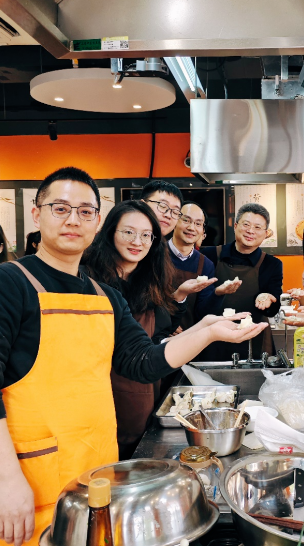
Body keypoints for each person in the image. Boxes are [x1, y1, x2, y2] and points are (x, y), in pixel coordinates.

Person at [0, 167, 267, 546]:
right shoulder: (10, 282)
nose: (73, 220)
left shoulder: (105, 296)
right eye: (60, 208)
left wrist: (207, 332)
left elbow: (143, 362)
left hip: (96, 469)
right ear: (36, 213)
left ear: (97, 222)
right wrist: (7, 481)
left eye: (85, 211)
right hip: (27, 479)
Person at [82, 200, 184, 459]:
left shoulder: (151, 280)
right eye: (128, 232)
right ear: (109, 232)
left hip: (141, 400)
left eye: (146, 235)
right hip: (95, 401)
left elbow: (159, 333)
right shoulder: (86, 280)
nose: (137, 241)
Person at [201, 203, 283, 361]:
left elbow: (273, 309)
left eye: (258, 227)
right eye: (246, 224)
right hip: (213, 338)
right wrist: (217, 293)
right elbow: (200, 303)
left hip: (254, 339)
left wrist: (269, 300)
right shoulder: (210, 255)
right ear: (235, 226)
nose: (251, 231)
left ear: (266, 233)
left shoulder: (272, 264)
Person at [169, 201, 238, 329]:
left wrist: (217, 293)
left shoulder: (205, 264)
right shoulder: (155, 254)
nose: (192, 228)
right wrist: (166, 325)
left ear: (202, 230)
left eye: (198, 224)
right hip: (154, 334)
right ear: (174, 221)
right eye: (186, 220)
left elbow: (202, 312)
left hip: (190, 334)